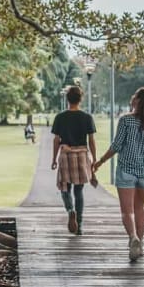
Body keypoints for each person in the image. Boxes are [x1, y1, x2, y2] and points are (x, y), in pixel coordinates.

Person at [93, 87, 144, 262]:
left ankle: (133, 238)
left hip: (126, 171)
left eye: (134, 96)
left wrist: (100, 161)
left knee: (126, 211)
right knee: (140, 208)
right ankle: (141, 243)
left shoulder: (125, 121)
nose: (131, 98)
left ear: (138, 101)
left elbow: (116, 146)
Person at [50, 86, 98, 236]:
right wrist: (94, 160)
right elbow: (91, 140)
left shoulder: (60, 117)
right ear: (80, 99)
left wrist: (54, 159)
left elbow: (56, 140)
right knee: (79, 190)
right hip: (82, 155)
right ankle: (80, 224)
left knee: (64, 188)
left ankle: (70, 211)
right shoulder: (87, 117)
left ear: (67, 99)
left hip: (66, 155)